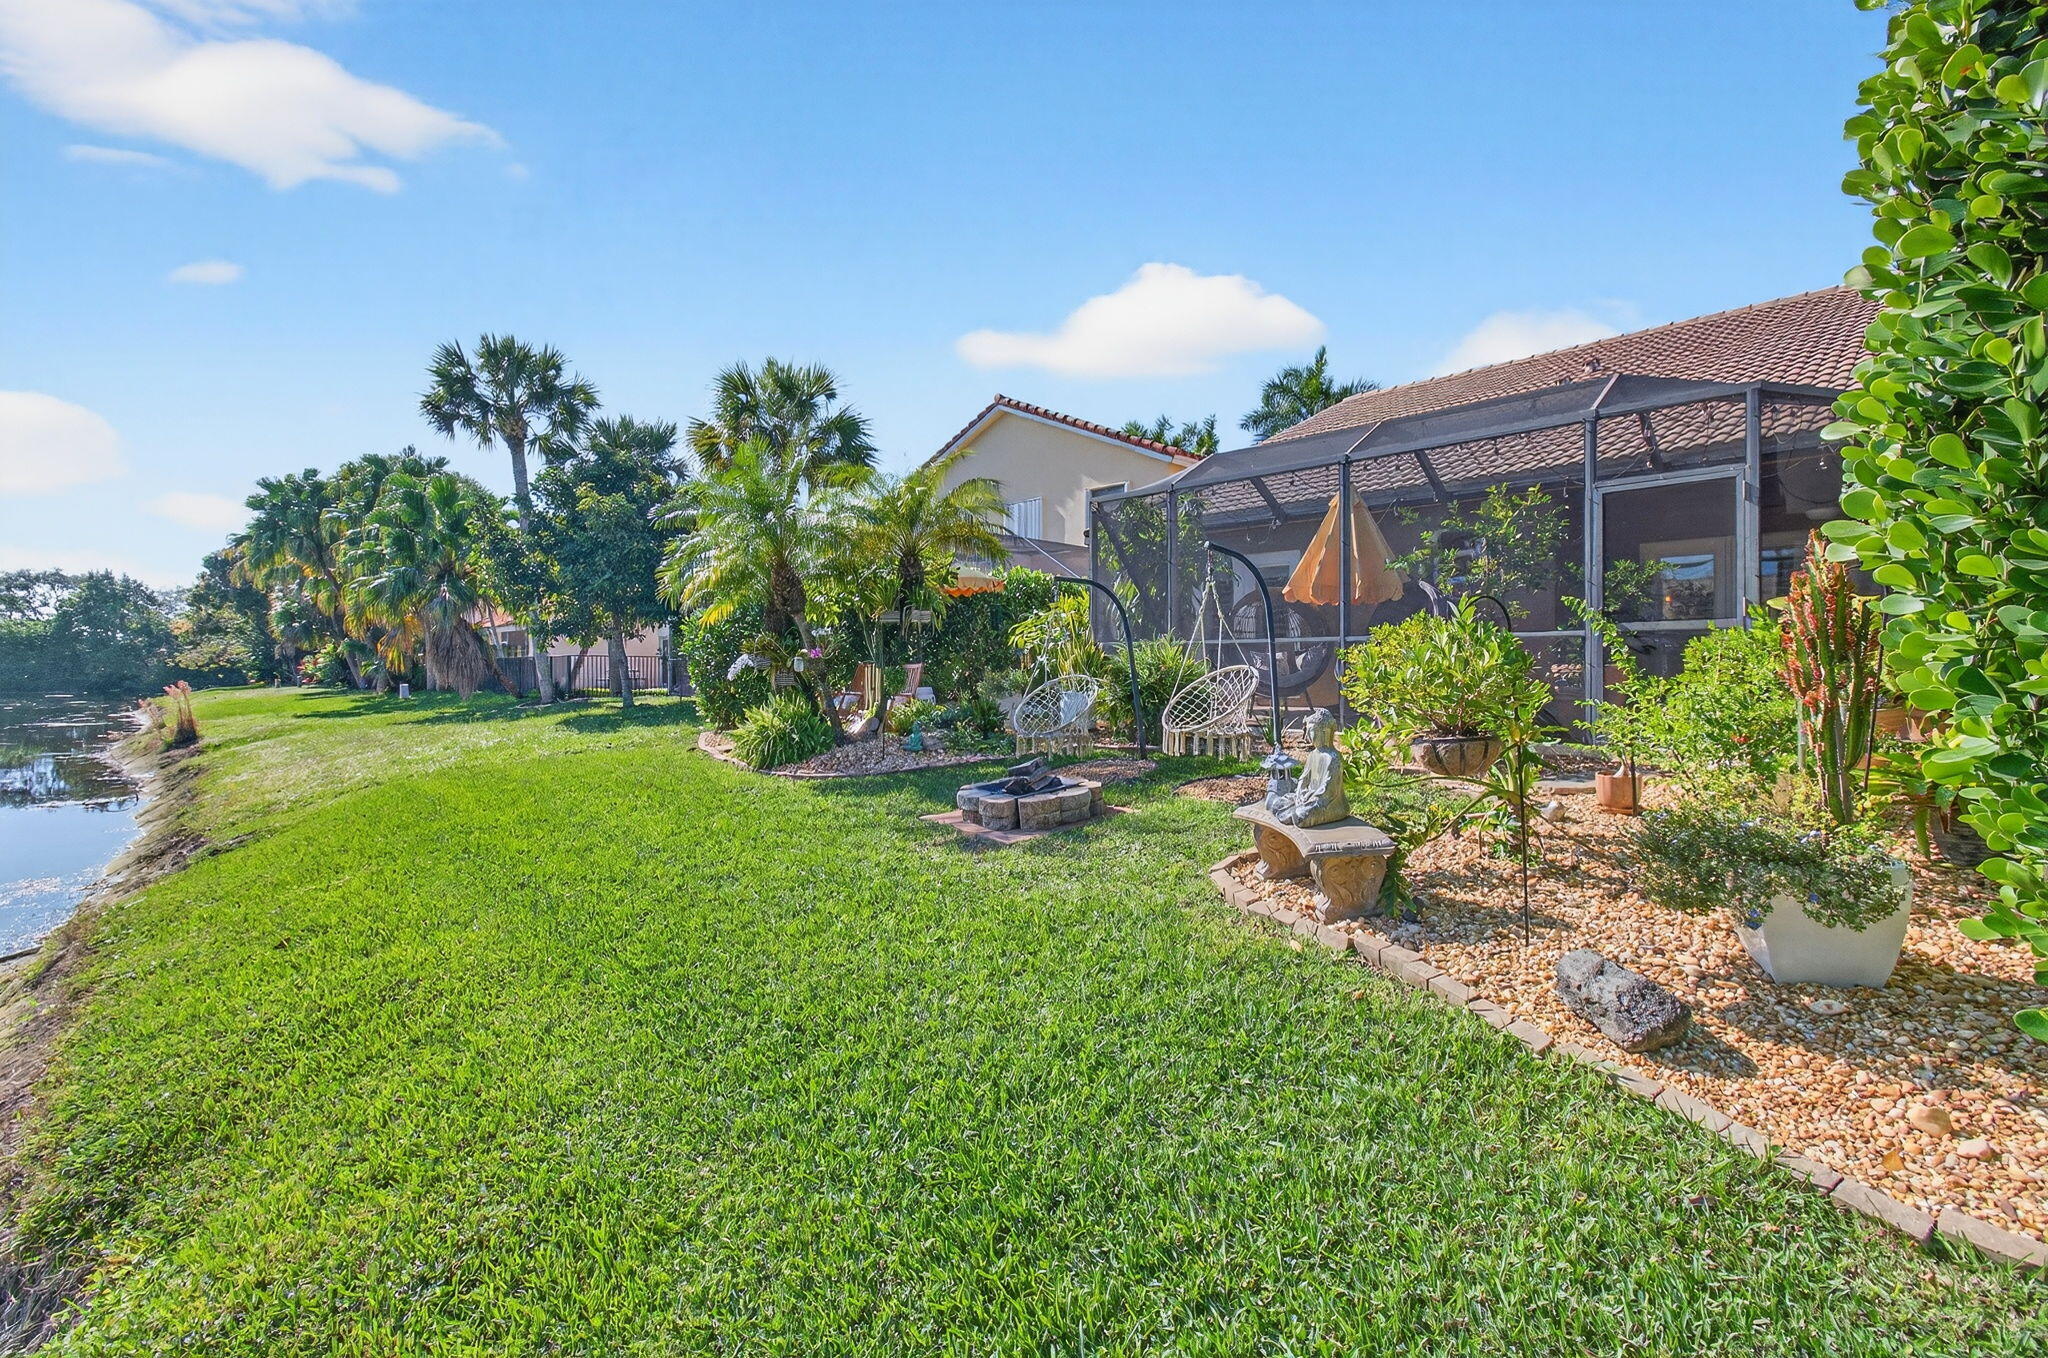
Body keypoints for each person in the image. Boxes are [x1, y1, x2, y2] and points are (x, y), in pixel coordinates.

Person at [1265, 707, 1349, 828]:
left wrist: (1308, 798)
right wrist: (1300, 793)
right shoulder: (1312, 755)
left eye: (1311, 731)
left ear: (1325, 732)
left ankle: (1295, 812)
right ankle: (1293, 809)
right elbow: (1304, 779)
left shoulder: (1333, 757)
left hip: (1328, 803)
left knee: (1301, 815)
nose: (1308, 737)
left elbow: (1328, 791)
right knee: (1280, 803)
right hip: (1308, 796)